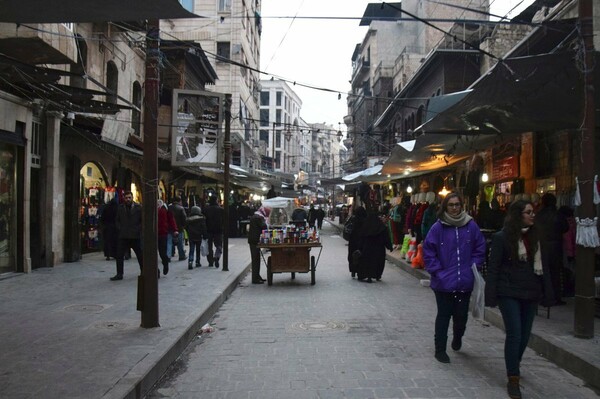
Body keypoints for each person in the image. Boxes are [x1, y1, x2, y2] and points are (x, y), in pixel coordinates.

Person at [485, 200, 544, 399]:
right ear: (518, 215)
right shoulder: (502, 238)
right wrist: (490, 294)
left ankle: (514, 363)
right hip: (508, 291)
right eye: (528, 212)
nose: (532, 215)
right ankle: (513, 378)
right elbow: (493, 267)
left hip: (530, 291)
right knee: (515, 334)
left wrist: (546, 292)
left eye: (532, 211)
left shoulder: (535, 237)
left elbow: (543, 267)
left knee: (525, 335)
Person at [422, 192, 486, 363]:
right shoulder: (438, 228)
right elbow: (428, 252)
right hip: (443, 283)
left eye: (457, 204)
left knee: (461, 316)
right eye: (451, 205)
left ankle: (458, 337)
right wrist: (438, 272)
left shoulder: (470, 226)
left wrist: (473, 266)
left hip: (464, 281)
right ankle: (440, 349)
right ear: (445, 207)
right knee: (443, 315)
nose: (455, 208)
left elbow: (480, 247)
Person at [535, 193, 568, 305]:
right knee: (555, 272)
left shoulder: (539, 215)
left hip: (542, 245)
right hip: (556, 245)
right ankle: (555, 297)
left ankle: (544, 296)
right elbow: (565, 228)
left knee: (543, 270)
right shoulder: (558, 215)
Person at [111, 191, 144, 281]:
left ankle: (143, 271)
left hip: (135, 235)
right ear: (124, 198)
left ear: (132, 198)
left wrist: (138, 229)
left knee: (140, 255)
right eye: (126, 198)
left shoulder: (138, 207)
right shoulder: (120, 208)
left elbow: (142, 220)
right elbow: (117, 220)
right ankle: (119, 273)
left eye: (129, 197)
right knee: (119, 255)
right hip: (123, 235)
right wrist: (120, 228)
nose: (128, 199)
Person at [355, 210, 393, 282]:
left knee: (366, 262)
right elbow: (386, 238)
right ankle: (377, 275)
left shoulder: (365, 227)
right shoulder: (381, 227)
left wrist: (359, 247)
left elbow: (361, 238)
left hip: (367, 249)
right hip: (379, 250)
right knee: (378, 263)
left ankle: (366, 275)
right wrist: (389, 246)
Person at [248, 206, 270, 284]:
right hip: (254, 240)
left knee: (256, 259)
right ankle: (255, 278)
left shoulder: (256, 216)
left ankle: (257, 276)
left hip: (253, 240)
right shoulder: (259, 218)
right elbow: (264, 226)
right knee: (255, 260)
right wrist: (266, 221)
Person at [157, 200, 178, 276]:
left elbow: (171, 220)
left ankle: (165, 263)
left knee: (162, 252)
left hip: (163, 233)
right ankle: (156, 271)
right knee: (152, 254)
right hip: (153, 234)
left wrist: (175, 229)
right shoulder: (152, 209)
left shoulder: (166, 210)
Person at [203, 195, 224, 268]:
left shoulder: (206, 209)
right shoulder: (221, 210)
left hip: (208, 230)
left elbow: (203, 220)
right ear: (216, 200)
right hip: (218, 230)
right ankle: (217, 256)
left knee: (209, 246)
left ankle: (210, 261)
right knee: (219, 245)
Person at [185, 206, 207, 270]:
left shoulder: (188, 219)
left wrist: (189, 232)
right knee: (198, 250)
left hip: (191, 236)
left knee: (191, 249)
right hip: (198, 236)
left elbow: (186, 227)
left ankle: (190, 261)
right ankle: (197, 262)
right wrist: (205, 235)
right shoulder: (201, 219)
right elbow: (204, 228)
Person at [346, 206, 366, 279]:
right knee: (361, 255)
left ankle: (353, 270)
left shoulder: (353, 219)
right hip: (363, 241)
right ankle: (360, 270)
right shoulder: (366, 220)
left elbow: (347, 229)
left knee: (352, 255)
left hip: (353, 241)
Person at [169, 196, 188, 261]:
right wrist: (184, 225)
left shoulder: (169, 208)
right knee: (180, 243)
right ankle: (181, 255)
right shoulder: (181, 208)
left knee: (170, 242)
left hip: (170, 227)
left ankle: (170, 254)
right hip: (179, 228)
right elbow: (184, 218)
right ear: (180, 201)